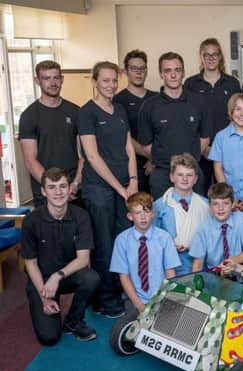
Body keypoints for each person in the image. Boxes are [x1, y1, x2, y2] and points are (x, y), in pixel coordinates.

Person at [79, 61, 138, 318]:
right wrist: (119, 188)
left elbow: (128, 148)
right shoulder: (86, 113)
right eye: (105, 80)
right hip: (100, 189)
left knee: (123, 243)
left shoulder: (121, 110)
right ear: (94, 82)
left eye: (114, 80)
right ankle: (105, 300)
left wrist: (133, 180)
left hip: (125, 187)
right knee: (104, 245)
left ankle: (121, 291)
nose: (111, 85)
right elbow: (92, 157)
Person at [21, 168, 100, 344]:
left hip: (65, 275)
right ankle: (46, 306)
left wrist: (58, 276)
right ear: (43, 191)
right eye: (52, 187)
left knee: (91, 278)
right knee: (49, 338)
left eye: (62, 186)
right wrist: (44, 297)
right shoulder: (30, 222)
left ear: (69, 188)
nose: (58, 192)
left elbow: (83, 259)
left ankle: (73, 322)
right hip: (41, 280)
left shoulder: (81, 216)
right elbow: (30, 264)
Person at [138, 51, 212, 199]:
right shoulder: (149, 106)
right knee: (164, 220)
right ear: (161, 74)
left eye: (177, 70)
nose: (173, 75)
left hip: (193, 174)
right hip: (162, 175)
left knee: (196, 220)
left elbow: (205, 138)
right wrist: (165, 160)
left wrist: (186, 166)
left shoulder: (198, 102)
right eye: (168, 71)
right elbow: (146, 145)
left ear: (183, 72)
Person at [19, 60, 83, 207]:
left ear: (62, 79)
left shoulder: (76, 111)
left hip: (74, 189)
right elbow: (30, 160)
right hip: (45, 193)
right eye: (46, 78)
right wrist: (55, 189)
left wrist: (75, 183)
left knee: (78, 229)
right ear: (37, 81)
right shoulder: (29, 116)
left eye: (56, 78)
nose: (52, 83)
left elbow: (83, 156)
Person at [184, 38, 242, 193]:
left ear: (220, 57)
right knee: (199, 192)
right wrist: (203, 147)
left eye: (214, 54)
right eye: (207, 55)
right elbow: (186, 118)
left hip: (228, 148)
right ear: (201, 57)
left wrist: (220, 148)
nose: (211, 58)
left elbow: (239, 116)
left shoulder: (232, 83)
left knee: (225, 192)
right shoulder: (190, 84)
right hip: (199, 149)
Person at [110, 192, 181, 313]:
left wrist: (169, 298)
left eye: (146, 212)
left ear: (152, 214)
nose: (143, 217)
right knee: (134, 326)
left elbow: (170, 272)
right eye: (138, 213)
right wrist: (140, 306)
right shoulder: (122, 240)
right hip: (134, 298)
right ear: (130, 216)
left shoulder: (164, 238)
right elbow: (124, 276)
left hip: (162, 296)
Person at [153, 153, 211, 275]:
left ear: (195, 179)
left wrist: (194, 245)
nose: (185, 179)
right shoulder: (159, 206)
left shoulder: (206, 205)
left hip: (201, 266)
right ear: (172, 177)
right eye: (180, 175)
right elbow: (153, 238)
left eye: (189, 175)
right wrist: (169, 246)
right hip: (170, 268)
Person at [113, 49, 157, 194]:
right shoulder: (118, 101)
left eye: (142, 68)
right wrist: (150, 156)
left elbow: (164, 132)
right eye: (133, 69)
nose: (138, 72)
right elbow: (124, 135)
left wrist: (156, 158)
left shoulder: (157, 98)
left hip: (159, 166)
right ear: (126, 71)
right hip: (132, 167)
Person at [189, 182, 243, 272]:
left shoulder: (241, 218)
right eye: (215, 204)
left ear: (233, 204)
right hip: (214, 274)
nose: (220, 208)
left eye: (225, 203)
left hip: (237, 270)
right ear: (209, 205)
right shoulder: (203, 228)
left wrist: (230, 262)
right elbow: (198, 264)